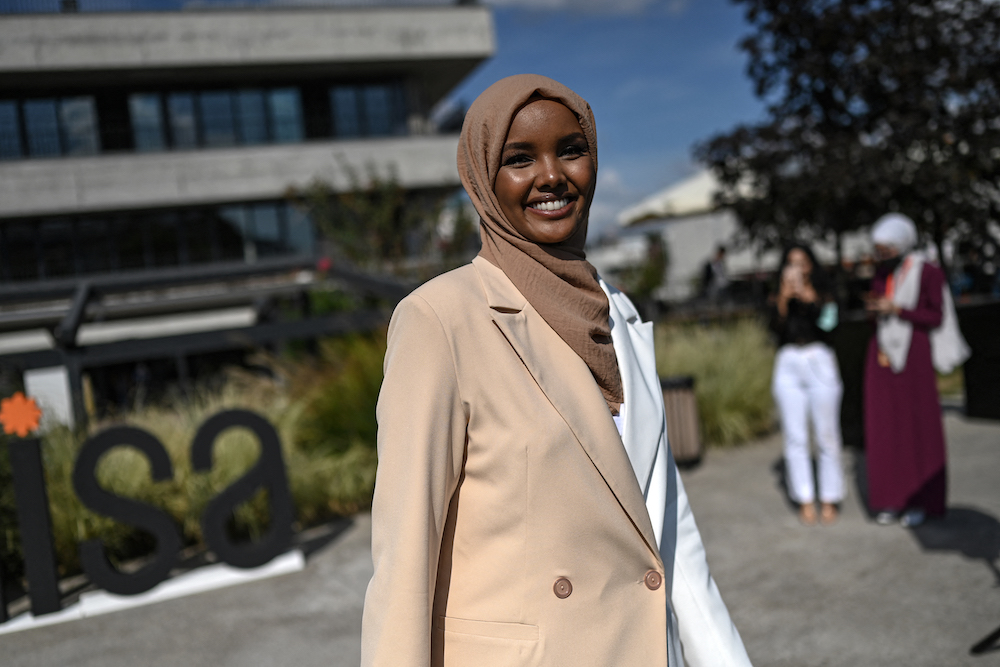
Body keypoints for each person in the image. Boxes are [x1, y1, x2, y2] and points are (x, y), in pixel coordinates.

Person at [361, 75, 751, 667]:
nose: (551, 175)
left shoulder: (615, 310)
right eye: (519, 158)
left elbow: (668, 533)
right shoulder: (440, 319)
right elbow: (405, 556)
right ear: (482, 179)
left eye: (571, 149)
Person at [864, 213, 970, 527]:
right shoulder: (882, 272)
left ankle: (920, 500)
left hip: (915, 352)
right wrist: (877, 307)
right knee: (885, 427)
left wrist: (896, 308)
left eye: (886, 248)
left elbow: (934, 315)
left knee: (917, 427)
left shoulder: (928, 271)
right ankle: (890, 498)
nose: (882, 255)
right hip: (883, 352)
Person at [769, 244, 844, 526]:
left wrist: (811, 298)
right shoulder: (778, 294)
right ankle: (804, 496)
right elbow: (772, 330)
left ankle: (829, 495)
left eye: (802, 262)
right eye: (791, 263)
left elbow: (831, 325)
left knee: (826, 434)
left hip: (819, 359)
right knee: (795, 436)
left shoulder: (824, 292)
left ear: (811, 264)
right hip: (788, 361)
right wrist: (783, 300)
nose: (797, 269)